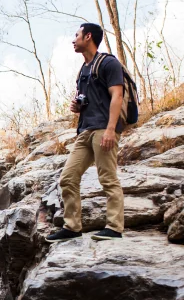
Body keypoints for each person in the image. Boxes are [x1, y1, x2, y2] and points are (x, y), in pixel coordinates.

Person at [46, 23, 125, 243]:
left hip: (104, 129)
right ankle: (72, 227)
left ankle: (115, 227)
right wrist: (77, 107)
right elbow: (88, 98)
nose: (73, 39)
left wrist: (111, 129)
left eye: (76, 35)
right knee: (67, 178)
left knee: (108, 178)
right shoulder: (83, 70)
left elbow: (117, 96)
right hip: (84, 131)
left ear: (88, 36)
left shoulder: (108, 63)